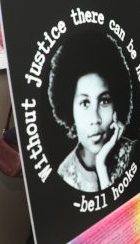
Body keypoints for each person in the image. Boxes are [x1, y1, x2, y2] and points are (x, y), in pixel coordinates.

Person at [48, 30, 134, 192]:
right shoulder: (65, 175)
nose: (95, 118)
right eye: (85, 103)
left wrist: (101, 165)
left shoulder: (133, 153)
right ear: (69, 109)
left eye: (104, 101)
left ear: (117, 105)